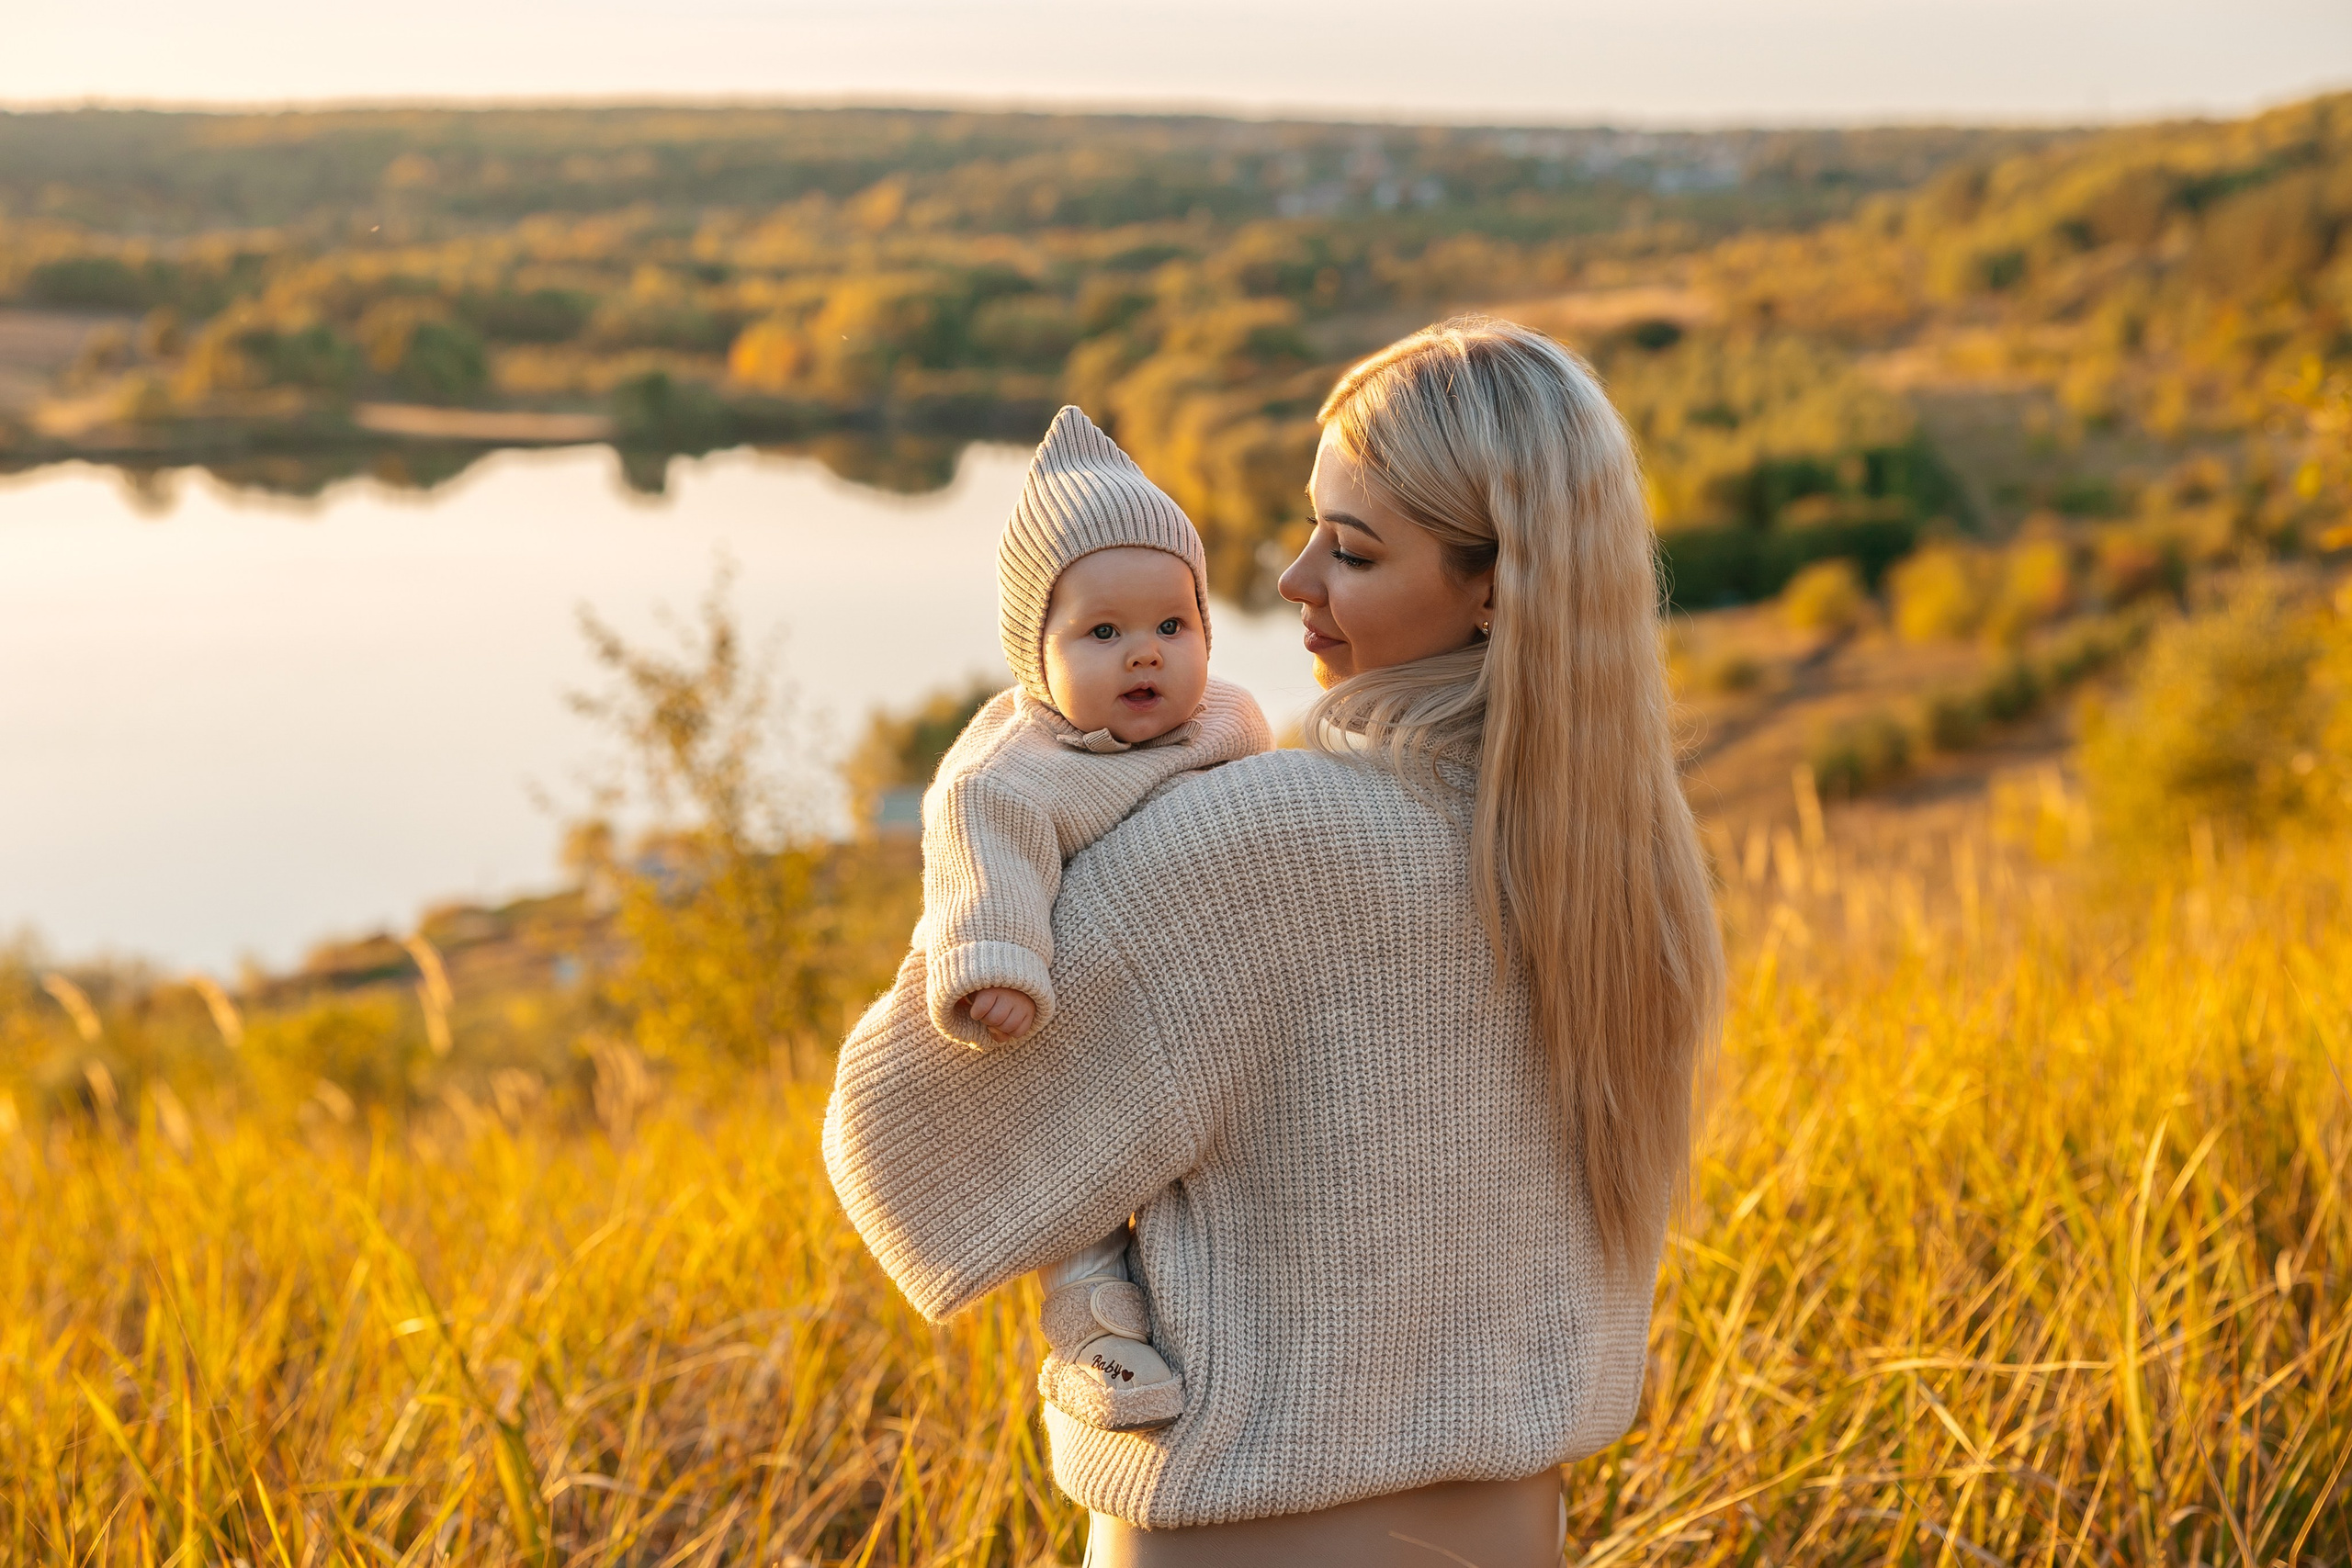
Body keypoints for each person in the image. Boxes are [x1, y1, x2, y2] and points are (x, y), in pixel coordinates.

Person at [825, 316, 1724, 1565]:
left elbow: (904, 1153)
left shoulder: (1263, 843)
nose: (1294, 579)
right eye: (1309, 530)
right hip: (1511, 1531)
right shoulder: (1628, 868)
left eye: (1350, 550)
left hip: (1238, 1535)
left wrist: (1005, 811)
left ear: (1493, 585)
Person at [915, 403, 1270, 1432]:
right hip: (1061, 1006)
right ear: (1037, 654)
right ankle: (1090, 1332)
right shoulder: (1012, 771)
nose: (1144, 656)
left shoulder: (1226, 719)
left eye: (1172, 626)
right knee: (1073, 1180)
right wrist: (996, 964)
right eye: (1103, 634)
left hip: (1191, 1013)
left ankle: (1206, 1299)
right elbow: (981, 863)